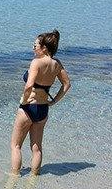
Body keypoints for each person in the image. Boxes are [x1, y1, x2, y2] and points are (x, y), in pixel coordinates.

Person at [9, 29, 70, 176]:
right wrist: (54, 101)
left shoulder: (36, 62)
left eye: (35, 45)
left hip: (28, 107)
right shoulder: (57, 64)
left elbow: (29, 85)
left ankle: (14, 177)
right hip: (43, 109)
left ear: (44, 48)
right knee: (36, 148)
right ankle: (34, 178)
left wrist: (24, 100)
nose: (33, 47)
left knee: (16, 146)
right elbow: (66, 84)